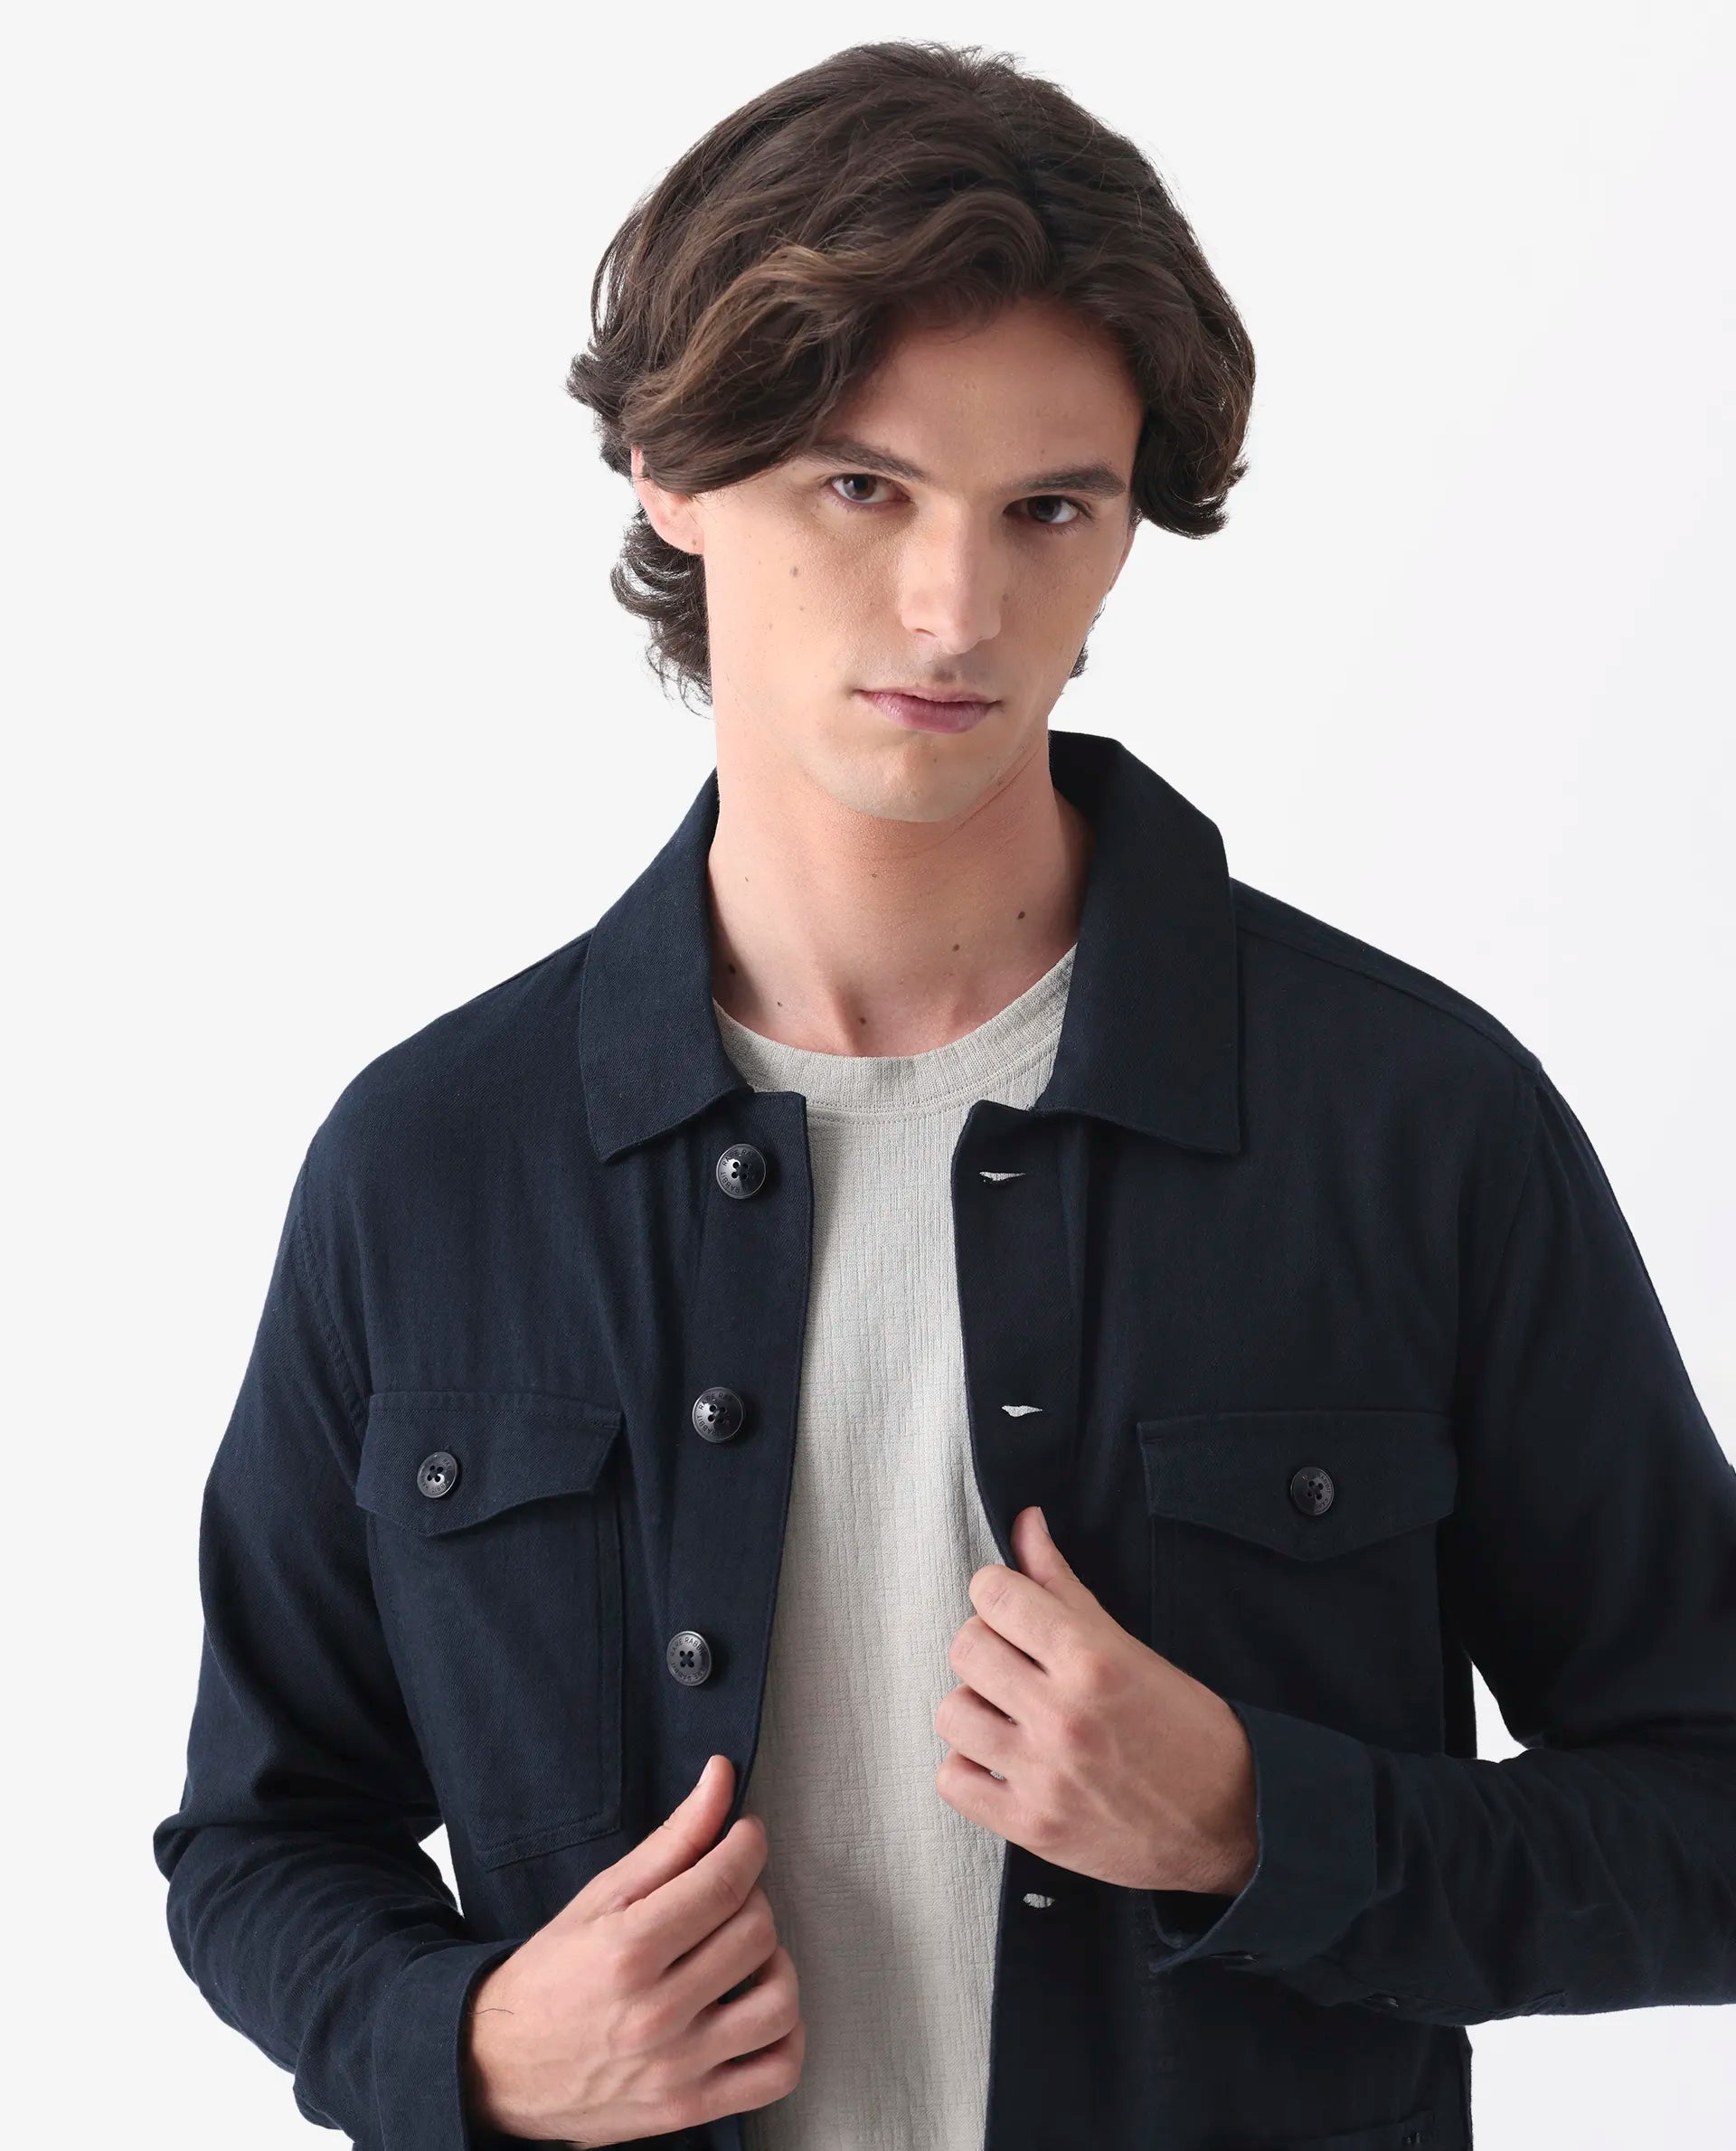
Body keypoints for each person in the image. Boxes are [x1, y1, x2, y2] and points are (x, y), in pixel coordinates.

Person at [152, 37, 1736, 2151]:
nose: (957, 609)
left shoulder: (1414, 1125)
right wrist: (470, 2048)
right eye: (863, 487)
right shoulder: (431, 1165)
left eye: (1049, 509)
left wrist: (1267, 1818)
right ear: (670, 470)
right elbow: (261, 1836)